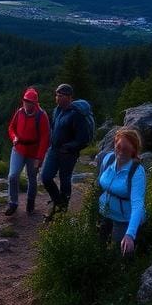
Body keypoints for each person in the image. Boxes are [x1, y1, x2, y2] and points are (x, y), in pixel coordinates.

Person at [41, 83, 92, 221]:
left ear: (69, 97)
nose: (57, 98)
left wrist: (68, 147)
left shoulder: (76, 115)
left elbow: (83, 139)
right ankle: (57, 202)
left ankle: (61, 210)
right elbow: (54, 129)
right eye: (57, 95)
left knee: (65, 181)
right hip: (53, 150)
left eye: (61, 95)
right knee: (45, 177)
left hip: (68, 154)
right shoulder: (57, 110)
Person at [98, 127, 146, 256]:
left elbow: (138, 205)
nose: (120, 153)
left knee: (118, 254)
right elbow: (100, 183)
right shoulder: (107, 159)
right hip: (105, 213)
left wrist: (130, 234)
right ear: (114, 144)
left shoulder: (136, 171)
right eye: (118, 147)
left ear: (134, 150)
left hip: (124, 219)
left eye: (125, 149)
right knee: (100, 249)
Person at [5, 87, 50, 215]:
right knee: (12, 176)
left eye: (29, 101)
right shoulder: (19, 112)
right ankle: (13, 203)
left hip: (33, 152)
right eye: (25, 100)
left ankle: (30, 202)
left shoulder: (41, 116)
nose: (26, 103)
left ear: (35, 103)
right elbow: (11, 127)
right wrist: (14, 137)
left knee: (32, 178)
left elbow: (45, 139)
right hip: (18, 149)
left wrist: (39, 158)